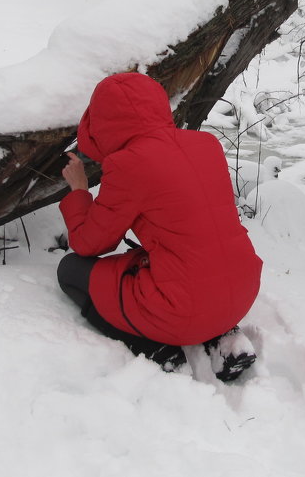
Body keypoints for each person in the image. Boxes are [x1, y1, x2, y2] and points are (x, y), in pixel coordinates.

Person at [57, 72, 262, 381]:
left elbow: (89, 244)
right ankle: (226, 339)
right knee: (183, 264)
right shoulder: (206, 144)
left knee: (71, 270)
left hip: (184, 308)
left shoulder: (127, 163)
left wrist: (80, 192)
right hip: (244, 289)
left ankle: (158, 350)